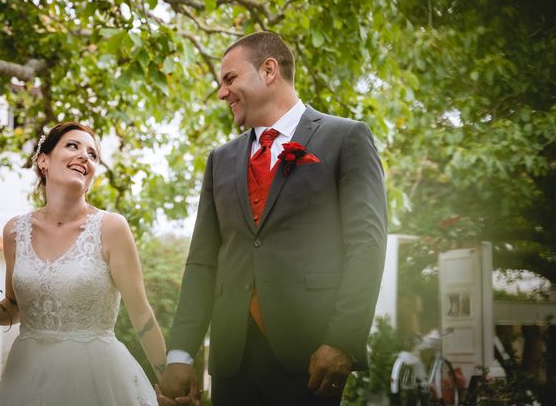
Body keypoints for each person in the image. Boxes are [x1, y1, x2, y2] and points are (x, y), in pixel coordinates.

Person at [158, 32, 388, 406]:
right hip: (232, 362)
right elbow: (202, 261)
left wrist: (342, 340)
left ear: (269, 71)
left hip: (312, 359)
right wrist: (181, 353)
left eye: (229, 79)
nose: (221, 93)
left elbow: (367, 245)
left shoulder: (346, 138)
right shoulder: (220, 160)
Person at [0, 122, 164, 406]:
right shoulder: (14, 231)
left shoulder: (111, 228)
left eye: (93, 154)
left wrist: (168, 376)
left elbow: (141, 312)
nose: (85, 156)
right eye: (73, 146)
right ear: (43, 161)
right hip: (28, 376)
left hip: (95, 376)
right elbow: (14, 307)